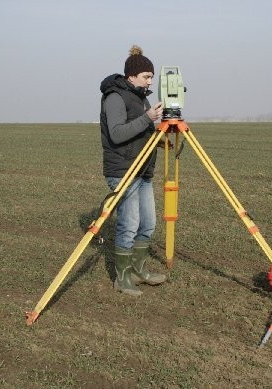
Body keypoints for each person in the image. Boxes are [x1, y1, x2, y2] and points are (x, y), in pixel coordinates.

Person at [99, 45, 167, 296]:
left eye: (151, 77)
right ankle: (122, 278)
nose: (150, 81)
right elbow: (117, 134)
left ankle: (139, 271)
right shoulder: (115, 96)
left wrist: (162, 135)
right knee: (129, 224)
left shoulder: (140, 98)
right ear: (131, 76)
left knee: (147, 223)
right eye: (146, 77)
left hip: (144, 169)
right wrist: (148, 118)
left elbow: (141, 134)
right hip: (123, 170)